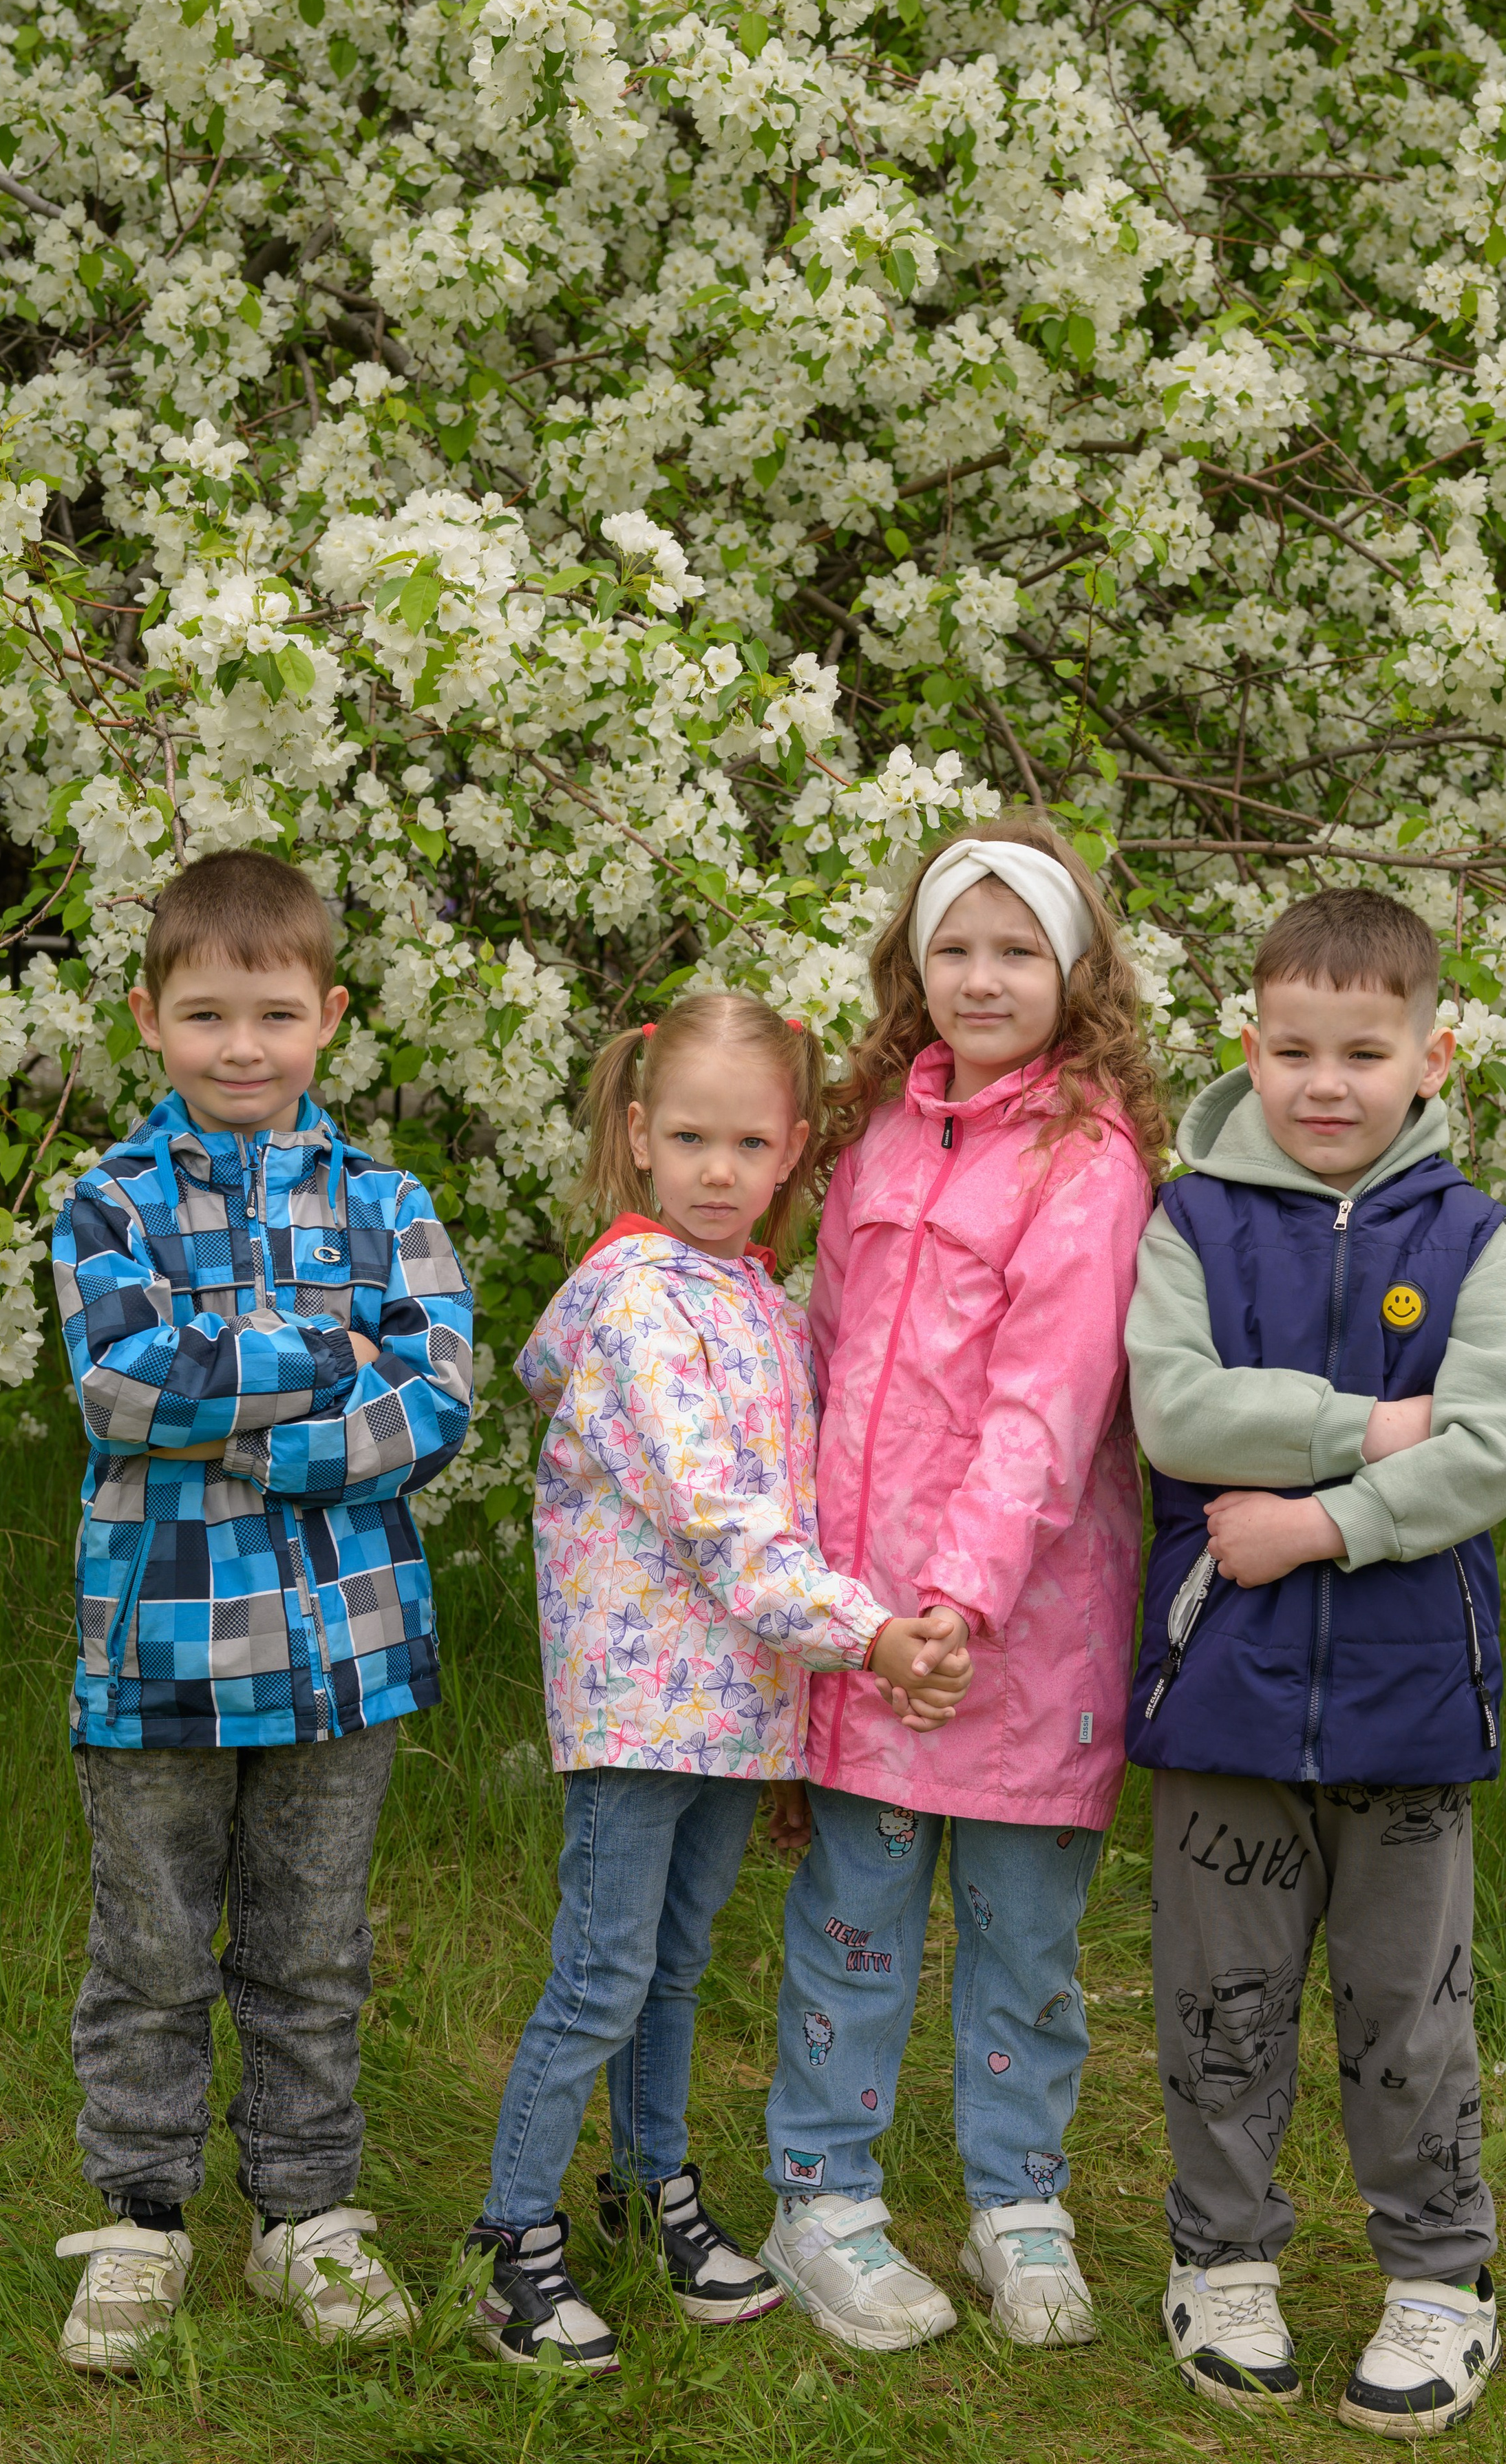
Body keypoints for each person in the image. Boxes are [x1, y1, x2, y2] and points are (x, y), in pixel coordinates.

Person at [463, 993, 972, 2372]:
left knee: (673, 1974)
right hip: (637, 1711)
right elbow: (721, 1520)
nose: (713, 1168)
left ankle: (650, 2189)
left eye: (746, 1143)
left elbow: (796, 1504)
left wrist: (803, 1704)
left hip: (731, 1711)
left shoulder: (755, 1299)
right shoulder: (634, 1305)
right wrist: (861, 1634)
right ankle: (511, 2240)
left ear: (793, 1150)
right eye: (686, 1135)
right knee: (599, 1977)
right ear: (635, 1133)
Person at [1123, 886, 1506, 2438]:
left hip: (1408, 1706)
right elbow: (1175, 1411)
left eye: (1361, 1051)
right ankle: (1221, 2253)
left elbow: (1495, 1448)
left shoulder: (1470, 1240)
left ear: (1429, 1057)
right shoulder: (1191, 1222)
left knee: (1405, 2006)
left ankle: (1438, 2274)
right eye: (1292, 1047)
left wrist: (1324, 1526)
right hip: (1221, 1693)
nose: (1323, 1083)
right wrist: (1368, 1430)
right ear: (1247, 1043)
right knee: (1217, 2001)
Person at [48, 849, 474, 2372]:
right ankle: (142, 2213)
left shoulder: (387, 1202)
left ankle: (306, 2209)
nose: (243, 1046)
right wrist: (316, 1373)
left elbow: (431, 1401)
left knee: (311, 1948)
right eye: (208, 1013)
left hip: (339, 1659)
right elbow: (115, 1384)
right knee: (150, 1946)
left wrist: (228, 1413)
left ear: (331, 1017)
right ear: (149, 1019)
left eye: (275, 1013)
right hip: (156, 1655)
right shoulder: (107, 1201)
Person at [759, 818, 1165, 2353]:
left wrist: (960, 1606)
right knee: (851, 1923)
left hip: (1017, 1640)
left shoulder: (1084, 1162)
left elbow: (1045, 1412)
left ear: (1072, 971)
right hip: (873, 1634)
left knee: (1020, 1945)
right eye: (953, 947)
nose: (981, 976)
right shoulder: (870, 1140)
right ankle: (823, 2195)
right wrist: (838, 1609)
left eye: (1015, 949)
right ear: (910, 967)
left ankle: (1016, 2197)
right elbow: (828, 1365)